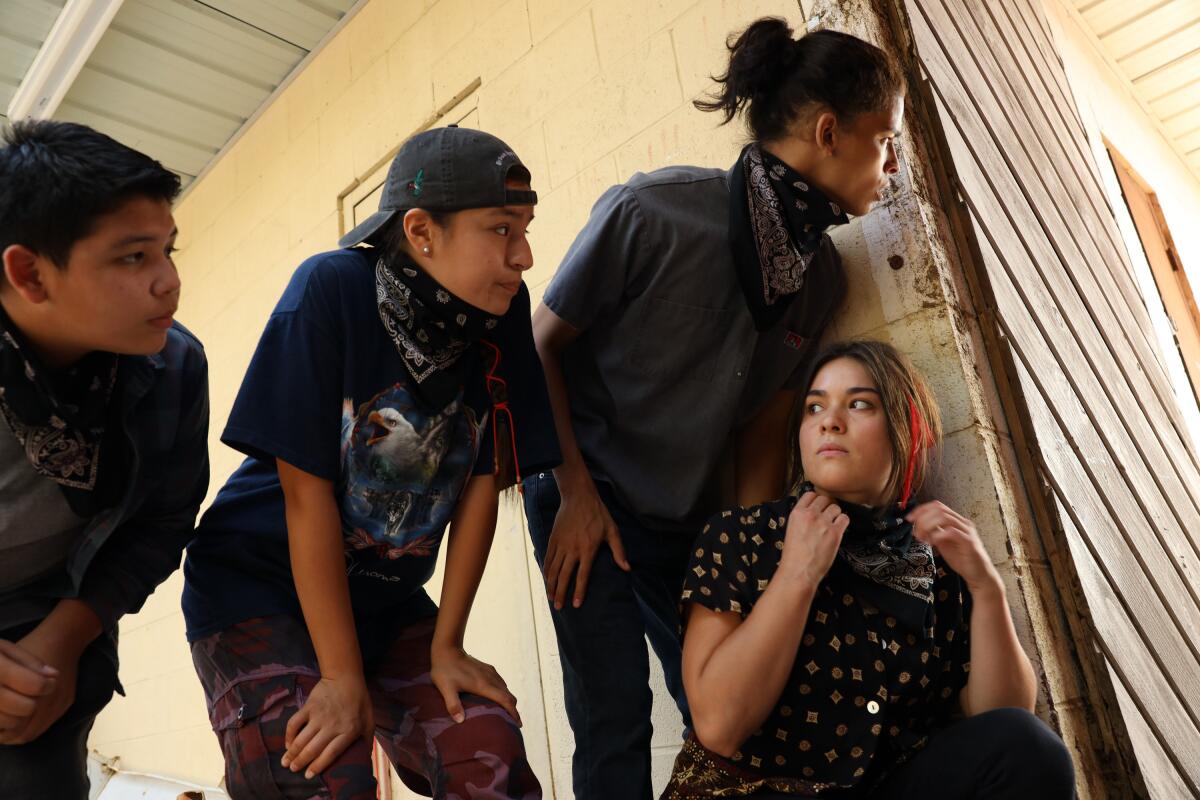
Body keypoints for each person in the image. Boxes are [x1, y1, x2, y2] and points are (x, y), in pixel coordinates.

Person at [523, 17, 905, 799]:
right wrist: (577, 496)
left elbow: (762, 431)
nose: (893, 164)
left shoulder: (819, 275)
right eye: (884, 140)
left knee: (729, 717)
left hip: (693, 525)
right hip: (584, 491)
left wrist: (760, 570)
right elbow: (539, 349)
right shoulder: (652, 212)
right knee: (615, 715)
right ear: (829, 131)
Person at [181, 126, 558, 799]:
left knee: (486, 742)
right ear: (421, 231)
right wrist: (340, 676)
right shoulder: (331, 290)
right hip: (257, 582)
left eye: (525, 228)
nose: (524, 254)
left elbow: (480, 485)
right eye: (501, 229)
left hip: (382, 601)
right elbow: (306, 500)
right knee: (324, 772)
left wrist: (448, 643)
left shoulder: (499, 317)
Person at [662, 340, 1075, 798]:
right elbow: (719, 725)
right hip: (753, 792)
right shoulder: (744, 537)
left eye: (859, 404)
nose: (830, 422)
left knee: (1029, 747)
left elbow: (1004, 722)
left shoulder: (934, 563)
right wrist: (798, 572)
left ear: (906, 429)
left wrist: (986, 586)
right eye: (814, 407)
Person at [0, 120, 209, 798]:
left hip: (49, 617)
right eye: (132, 258)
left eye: (169, 251)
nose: (168, 283)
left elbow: (162, 524)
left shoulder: (173, 365)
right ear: (29, 273)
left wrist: (66, 639)